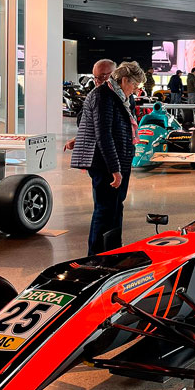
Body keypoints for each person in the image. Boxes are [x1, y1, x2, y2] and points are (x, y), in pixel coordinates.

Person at [71, 61, 145, 255]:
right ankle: (96, 258)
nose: (135, 90)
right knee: (105, 211)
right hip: (105, 164)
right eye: (134, 85)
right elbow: (103, 135)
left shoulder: (121, 96)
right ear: (125, 80)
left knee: (115, 208)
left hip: (120, 160)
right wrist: (115, 169)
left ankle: (113, 252)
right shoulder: (103, 95)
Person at [64, 59, 116, 150]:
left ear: (114, 74)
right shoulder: (93, 95)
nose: (97, 81)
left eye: (102, 77)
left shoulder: (122, 97)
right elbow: (82, 121)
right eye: (95, 77)